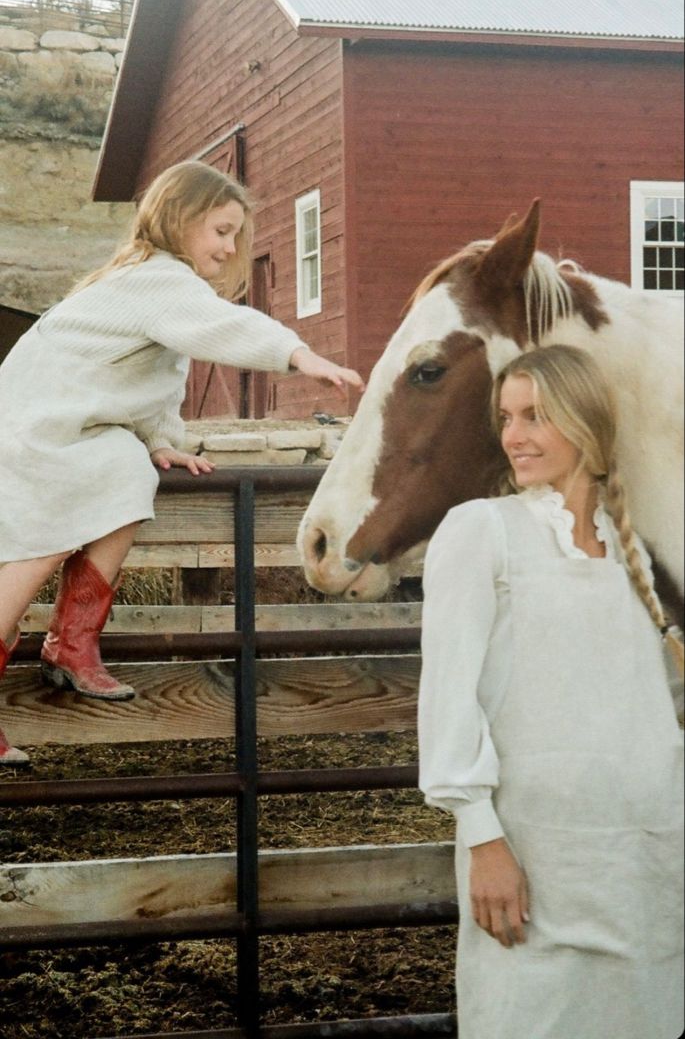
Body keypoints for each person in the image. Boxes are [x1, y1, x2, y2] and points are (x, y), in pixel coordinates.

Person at [0, 160, 364, 766]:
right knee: (20, 573)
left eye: (234, 235)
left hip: (56, 427)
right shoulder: (160, 280)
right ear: (178, 218)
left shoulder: (148, 285)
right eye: (220, 230)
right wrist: (297, 355)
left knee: (130, 469)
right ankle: (64, 643)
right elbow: (221, 327)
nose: (229, 246)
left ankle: (74, 640)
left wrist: (158, 439)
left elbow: (145, 377)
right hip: (34, 437)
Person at [418, 343, 683, 1039]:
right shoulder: (484, 531)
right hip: (533, 855)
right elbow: (449, 696)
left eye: (535, 415)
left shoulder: (628, 550)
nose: (513, 436)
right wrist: (483, 839)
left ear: (585, 422)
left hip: (640, 856)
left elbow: (648, 704)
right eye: (506, 417)